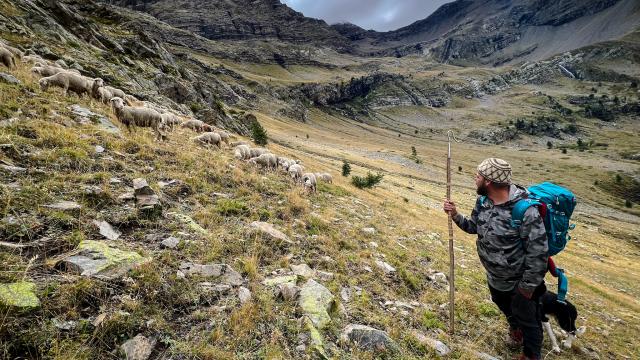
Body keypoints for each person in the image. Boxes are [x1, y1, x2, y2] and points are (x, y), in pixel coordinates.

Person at [443, 158, 548, 360]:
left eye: (478, 175)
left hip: (520, 284)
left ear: (489, 181)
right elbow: (473, 227)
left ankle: (531, 354)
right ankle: (515, 330)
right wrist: (455, 215)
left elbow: (539, 254)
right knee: (507, 309)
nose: (475, 178)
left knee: (529, 321)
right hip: (495, 278)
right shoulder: (483, 201)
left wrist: (526, 288)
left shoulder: (526, 211)